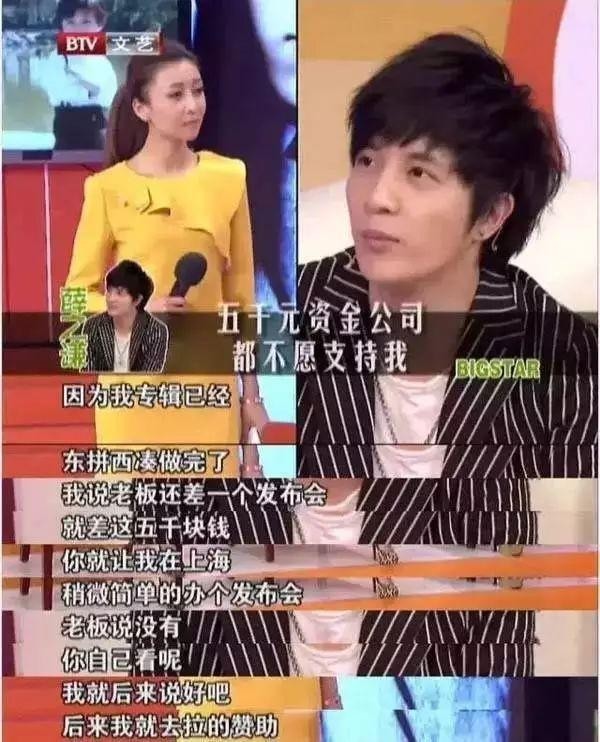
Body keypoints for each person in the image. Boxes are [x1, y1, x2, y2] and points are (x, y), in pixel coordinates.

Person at [297, 32, 597, 477]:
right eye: (367, 161)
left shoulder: (564, 356)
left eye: (419, 172)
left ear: (490, 216)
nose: (377, 198)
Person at [65, 39, 269, 472]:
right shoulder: (106, 189)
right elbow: (74, 299)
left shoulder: (228, 177)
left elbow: (241, 301)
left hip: (206, 388)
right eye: (176, 95)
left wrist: (251, 394)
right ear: (142, 108)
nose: (193, 105)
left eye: (198, 90)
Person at [81, 259, 168, 372]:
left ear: (137, 300)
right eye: (109, 291)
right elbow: (89, 372)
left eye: (120, 293)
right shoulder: (93, 326)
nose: (111, 298)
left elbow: (149, 376)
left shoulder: (156, 330)